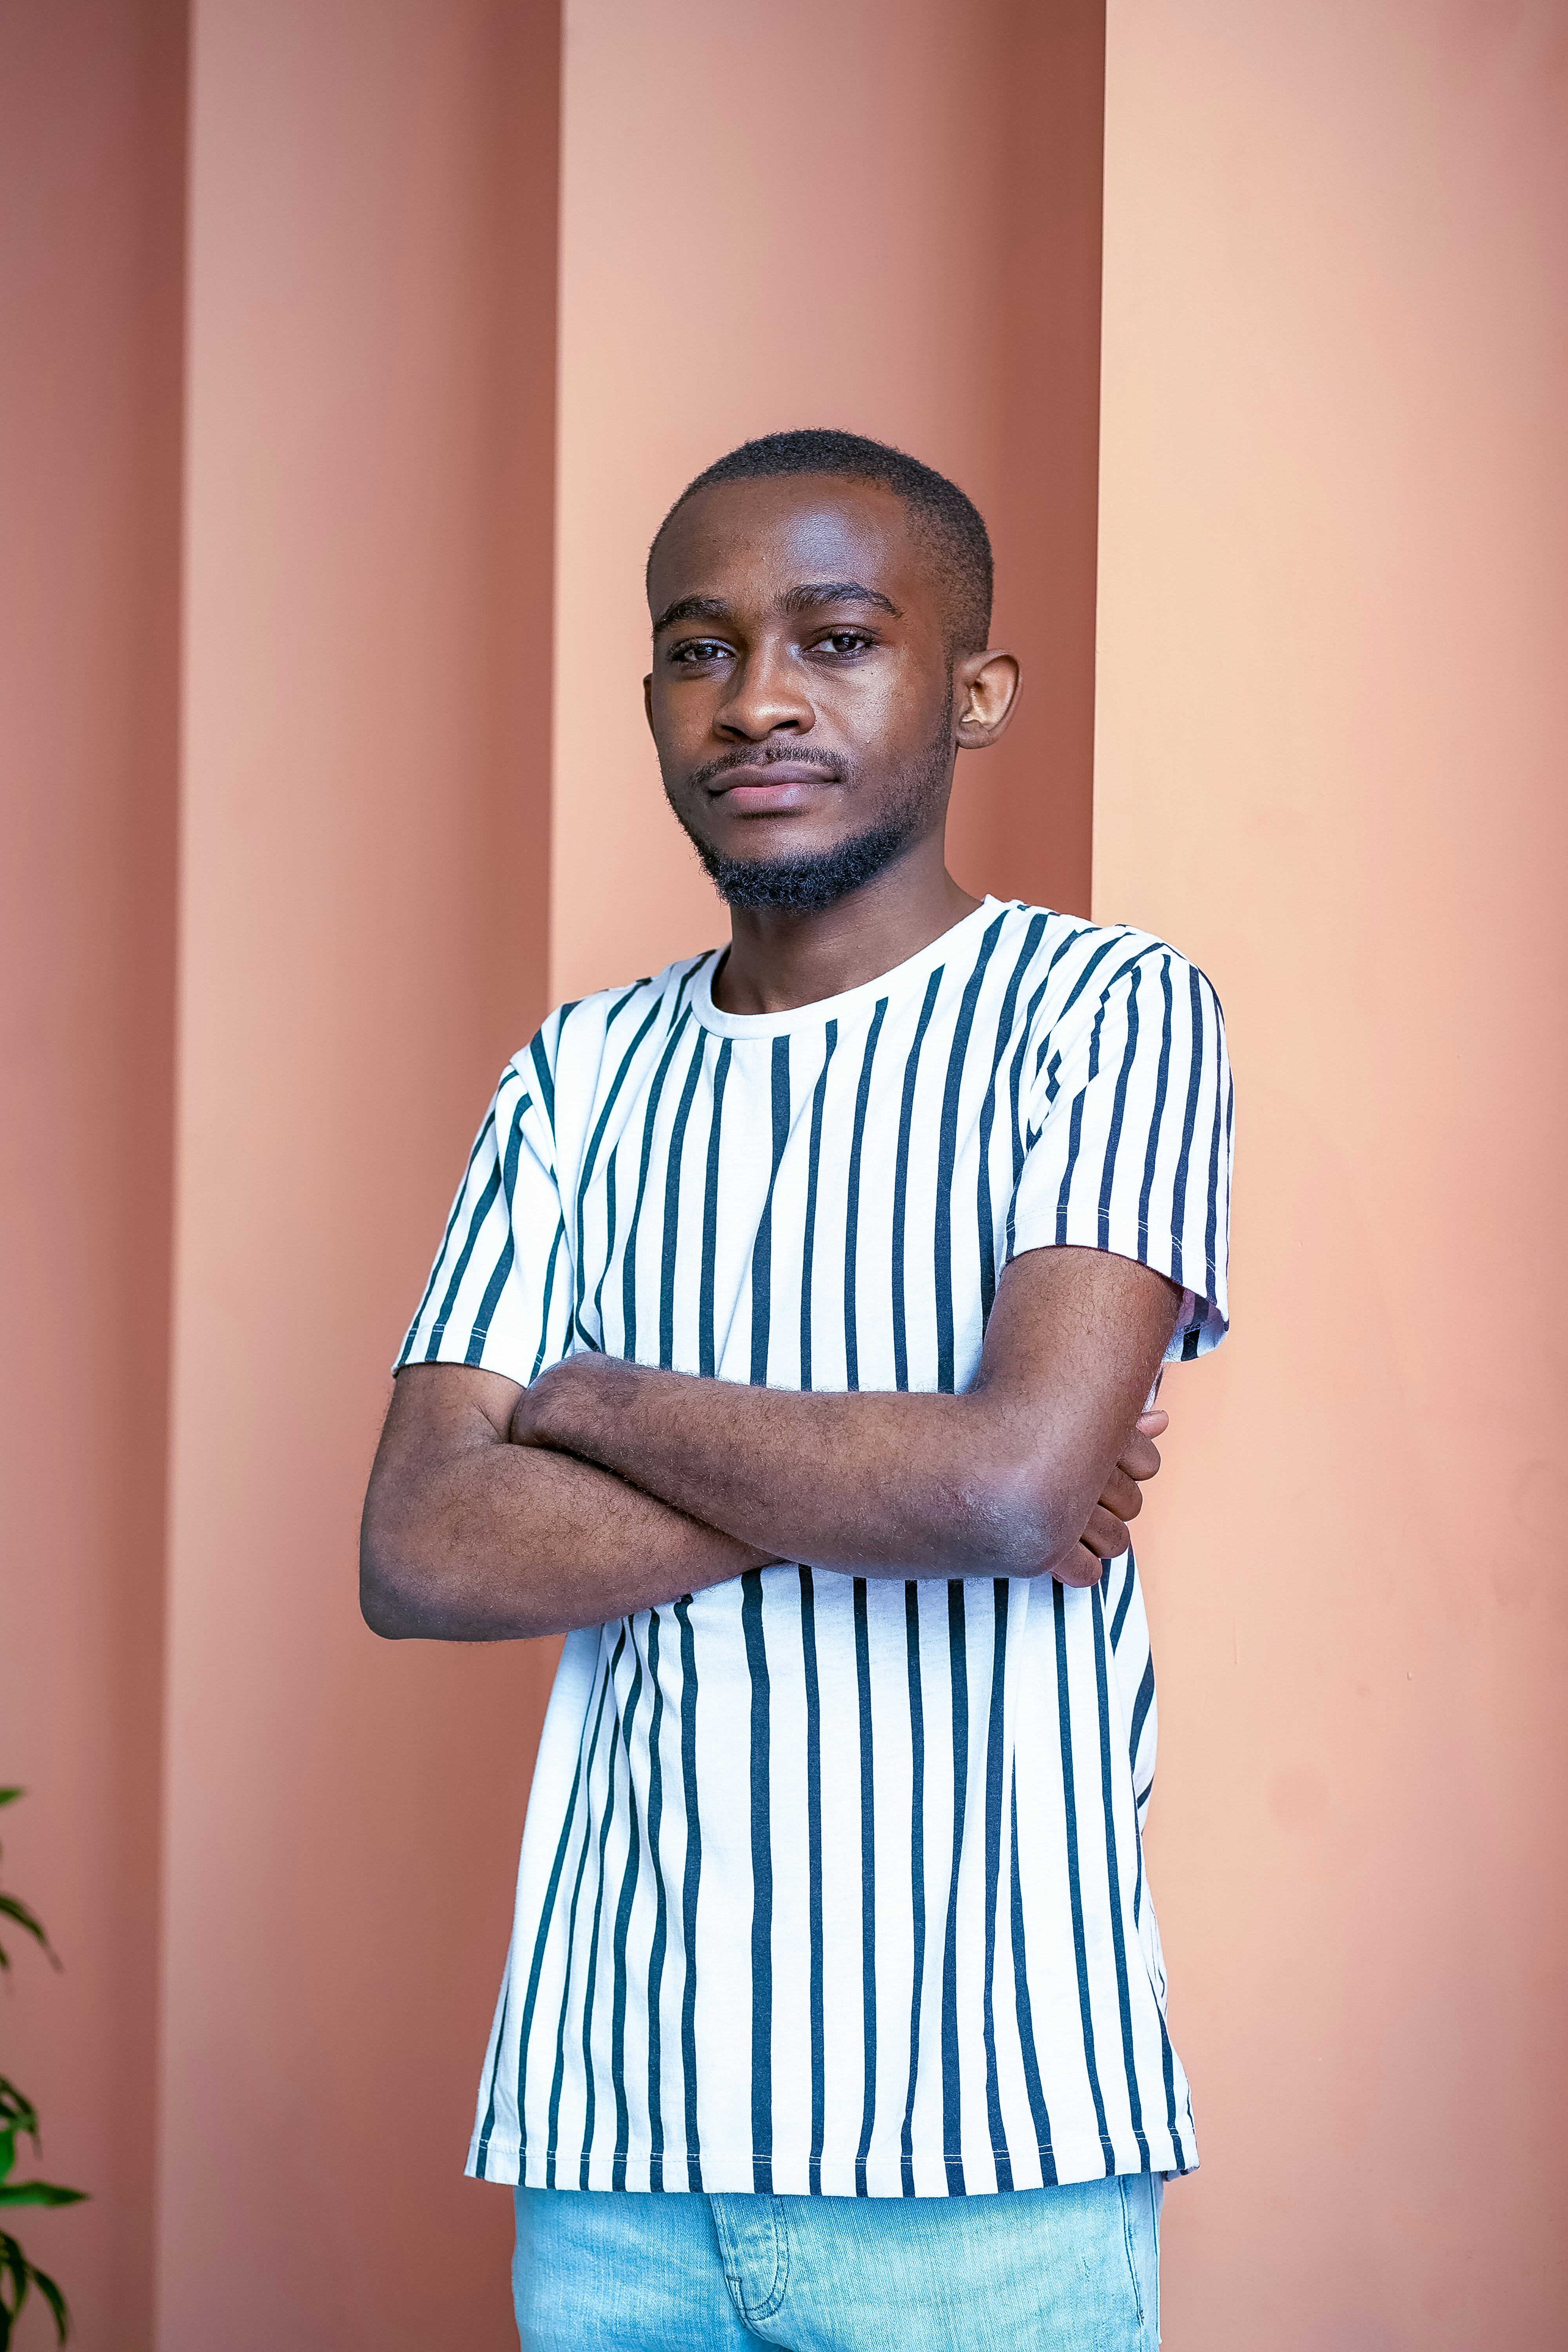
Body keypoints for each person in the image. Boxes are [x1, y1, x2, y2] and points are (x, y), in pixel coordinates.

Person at [361, 428, 1232, 2351]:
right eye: (699, 649)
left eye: (836, 639)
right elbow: (422, 1544)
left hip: (989, 2152)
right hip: (612, 2152)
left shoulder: (1108, 1012)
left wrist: (585, 1399)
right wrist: (912, 1478)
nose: (756, 699)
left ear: (973, 691)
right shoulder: (576, 1076)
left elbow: (1011, 1490)